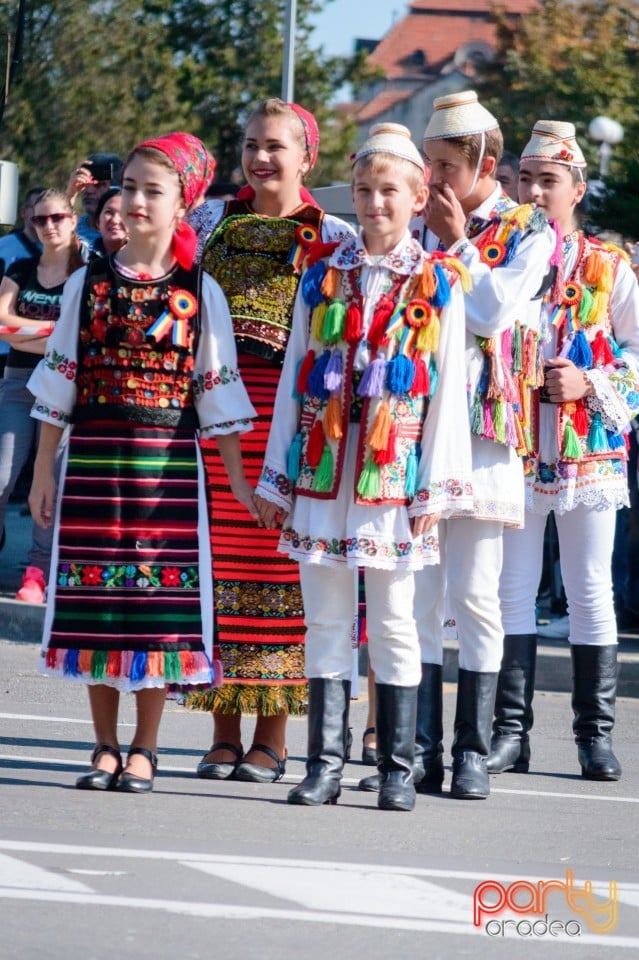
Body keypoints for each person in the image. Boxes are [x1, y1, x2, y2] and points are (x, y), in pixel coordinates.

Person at [27, 132, 258, 794]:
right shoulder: (88, 282)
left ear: (182, 204)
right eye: (127, 187)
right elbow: (58, 382)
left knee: (158, 607)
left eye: (151, 191)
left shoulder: (198, 290)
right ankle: (103, 745)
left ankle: (146, 747)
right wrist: (44, 471)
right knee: (96, 602)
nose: (133, 201)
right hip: (96, 460)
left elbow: (216, 392)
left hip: (168, 470)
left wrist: (238, 482)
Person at [255, 122, 473, 811]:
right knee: (323, 619)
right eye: (363, 190)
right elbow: (296, 373)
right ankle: (323, 761)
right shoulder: (325, 275)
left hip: (393, 474)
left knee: (394, 621)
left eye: (387, 191)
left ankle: (396, 768)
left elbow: (446, 392)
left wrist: (435, 484)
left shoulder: (436, 282)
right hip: (324, 467)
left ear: (417, 197)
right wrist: (276, 477)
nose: (374, 203)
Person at [183, 98, 354, 784]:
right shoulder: (206, 223)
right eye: (252, 144)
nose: (261, 157)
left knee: (285, 576)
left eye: (276, 146)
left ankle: (274, 737)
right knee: (216, 575)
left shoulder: (335, 234)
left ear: (306, 156)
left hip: (294, 432)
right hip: (216, 430)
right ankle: (223, 730)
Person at [401, 90, 556, 801]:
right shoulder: (415, 224)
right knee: (420, 593)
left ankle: (471, 748)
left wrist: (457, 241)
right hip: (413, 429)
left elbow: (492, 314)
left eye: (443, 165)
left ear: (484, 163)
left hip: (487, 435)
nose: (431, 179)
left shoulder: (529, 230)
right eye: (426, 164)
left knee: (477, 594)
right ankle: (421, 748)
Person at [490, 121, 639, 782]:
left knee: (588, 588)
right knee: (512, 588)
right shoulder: (496, 256)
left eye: (547, 180)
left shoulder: (609, 266)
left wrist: (591, 382)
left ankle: (592, 736)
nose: (533, 191)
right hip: (514, 444)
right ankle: (509, 732)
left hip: (587, 449)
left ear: (575, 189)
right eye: (524, 179)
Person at [0, 189, 85, 602]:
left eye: (56, 217)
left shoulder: (87, 271)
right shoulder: (20, 267)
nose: (48, 226)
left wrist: (27, 331)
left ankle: (37, 572)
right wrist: (57, 334)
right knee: (3, 474)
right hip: (18, 381)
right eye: (39, 220)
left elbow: (82, 336)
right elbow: (1, 324)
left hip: (66, 386)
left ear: (72, 219)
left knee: (49, 476)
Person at [0, 186, 45, 372]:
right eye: (36, 208)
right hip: (5, 350)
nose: (41, 215)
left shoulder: (61, 250)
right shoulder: (4, 248)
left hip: (46, 350)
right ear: (24, 212)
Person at [66, 153, 123, 251]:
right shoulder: (72, 228)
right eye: (84, 184)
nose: (89, 191)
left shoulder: (129, 231)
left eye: (99, 185)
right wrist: (70, 195)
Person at [89, 187, 127, 259]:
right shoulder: (83, 259)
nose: (115, 220)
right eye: (109, 212)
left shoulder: (147, 262)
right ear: (98, 221)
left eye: (123, 213)